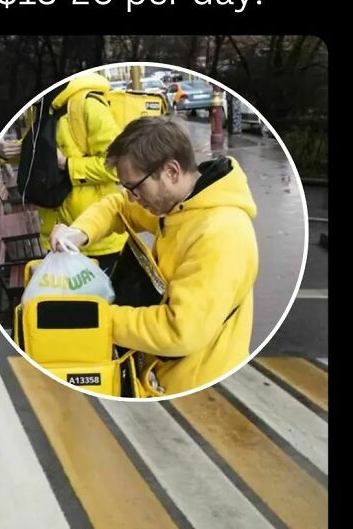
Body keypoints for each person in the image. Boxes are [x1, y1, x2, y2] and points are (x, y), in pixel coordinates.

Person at [50, 116, 258, 396]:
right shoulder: (182, 204)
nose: (133, 197)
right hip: (163, 373)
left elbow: (179, 331)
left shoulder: (221, 234)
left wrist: (96, 317)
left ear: (171, 171)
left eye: (135, 187)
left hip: (197, 387)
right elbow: (119, 206)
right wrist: (79, 233)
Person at [28, 73, 126, 278]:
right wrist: (6, 153)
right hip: (56, 235)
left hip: (97, 241)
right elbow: (38, 148)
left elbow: (119, 165)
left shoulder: (87, 105)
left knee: (99, 305)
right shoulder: (41, 108)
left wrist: (69, 164)